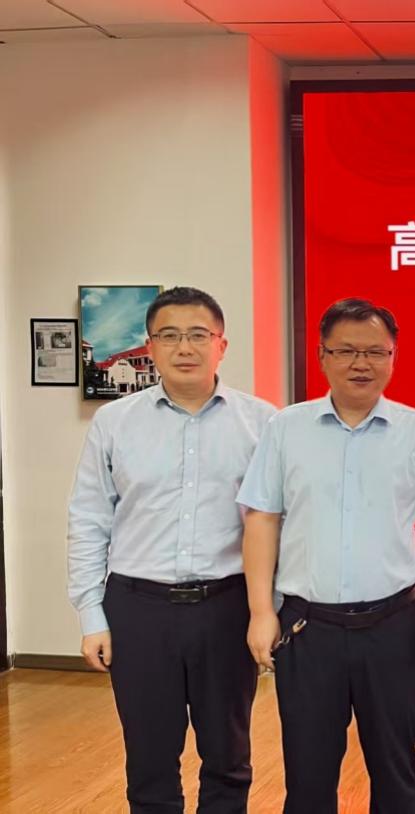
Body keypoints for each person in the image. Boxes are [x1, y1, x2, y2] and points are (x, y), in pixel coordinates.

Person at [237, 297, 415, 813]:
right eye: (345, 351)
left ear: (392, 357)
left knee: (395, 766)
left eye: (374, 352)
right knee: (308, 771)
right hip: (306, 628)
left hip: (393, 627)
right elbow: (262, 520)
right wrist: (260, 612)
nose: (360, 364)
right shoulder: (286, 429)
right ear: (322, 357)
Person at [67, 286, 275, 813]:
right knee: (149, 759)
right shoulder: (114, 422)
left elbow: (279, 525)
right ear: (150, 346)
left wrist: (269, 609)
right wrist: (91, 614)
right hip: (139, 609)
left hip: (227, 606)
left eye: (198, 335)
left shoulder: (263, 423)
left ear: (221, 345)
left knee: (228, 756)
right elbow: (89, 519)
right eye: (170, 335)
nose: (185, 347)